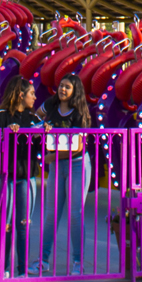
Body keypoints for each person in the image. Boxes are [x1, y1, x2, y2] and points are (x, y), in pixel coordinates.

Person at [0, 75, 45, 282]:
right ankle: (2, 268)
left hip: (26, 176)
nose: (35, 97)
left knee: (23, 224)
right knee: (6, 223)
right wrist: (6, 133)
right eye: (32, 93)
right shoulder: (2, 115)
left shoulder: (33, 120)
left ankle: (22, 275)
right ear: (21, 95)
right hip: (6, 176)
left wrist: (44, 133)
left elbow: (40, 150)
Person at [41, 73, 93, 271]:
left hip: (77, 164)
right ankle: (43, 260)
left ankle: (78, 262)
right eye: (61, 85)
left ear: (75, 91)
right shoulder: (51, 105)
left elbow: (77, 147)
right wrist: (41, 126)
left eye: (67, 87)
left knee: (75, 214)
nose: (62, 89)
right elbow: (36, 115)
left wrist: (51, 158)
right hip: (56, 165)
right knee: (51, 213)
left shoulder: (79, 113)